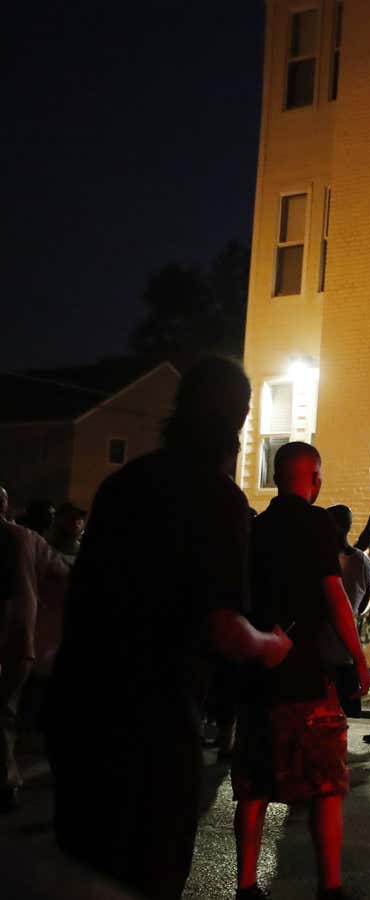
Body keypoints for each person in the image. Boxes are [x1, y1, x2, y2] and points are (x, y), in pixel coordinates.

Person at [45, 357, 292, 900]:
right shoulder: (218, 498)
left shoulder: (121, 486)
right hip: (151, 727)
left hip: (80, 708)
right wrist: (271, 644)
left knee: (83, 873)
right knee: (148, 875)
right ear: (239, 417)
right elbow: (224, 627)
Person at [233, 441, 370, 900]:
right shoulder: (316, 523)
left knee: (253, 786)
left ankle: (247, 885)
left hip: (257, 675)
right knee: (327, 784)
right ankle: (329, 887)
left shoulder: (256, 527)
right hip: (306, 677)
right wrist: (360, 655)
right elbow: (333, 595)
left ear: (275, 477)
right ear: (314, 478)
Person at [1, 487, 70, 813]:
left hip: (16, 635)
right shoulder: (25, 539)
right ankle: (6, 781)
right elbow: (62, 573)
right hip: (15, 636)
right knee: (5, 711)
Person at [327, 505, 370, 717]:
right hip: (349, 646)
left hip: (323, 645)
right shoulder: (363, 561)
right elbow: (364, 601)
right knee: (344, 714)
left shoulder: (323, 559)